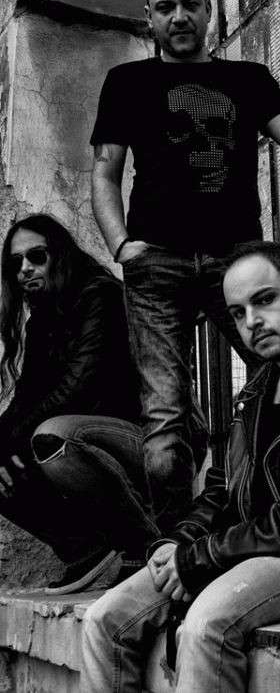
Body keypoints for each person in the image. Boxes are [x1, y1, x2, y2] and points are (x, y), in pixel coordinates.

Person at [80, 240, 280, 693]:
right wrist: (178, 542)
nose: (251, 321)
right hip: (242, 548)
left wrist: (203, 557)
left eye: (264, 300)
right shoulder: (256, 391)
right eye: (238, 313)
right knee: (103, 618)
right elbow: (222, 487)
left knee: (205, 626)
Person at [91, 0, 280, 532]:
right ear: (149, 17)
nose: (179, 16)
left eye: (190, 4)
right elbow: (105, 172)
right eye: (165, 7)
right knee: (164, 422)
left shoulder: (248, 79)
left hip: (235, 260)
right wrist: (121, 246)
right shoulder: (126, 83)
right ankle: (175, 545)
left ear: (209, 10)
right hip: (154, 262)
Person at [0, 214, 160, 595]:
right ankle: (83, 547)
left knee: (52, 435)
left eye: (37, 256)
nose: (25, 269)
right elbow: (26, 399)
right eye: (16, 262)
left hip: (147, 440)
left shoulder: (99, 295)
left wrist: (11, 441)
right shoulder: (41, 322)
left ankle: (141, 543)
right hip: (92, 442)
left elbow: (77, 389)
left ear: (60, 255)